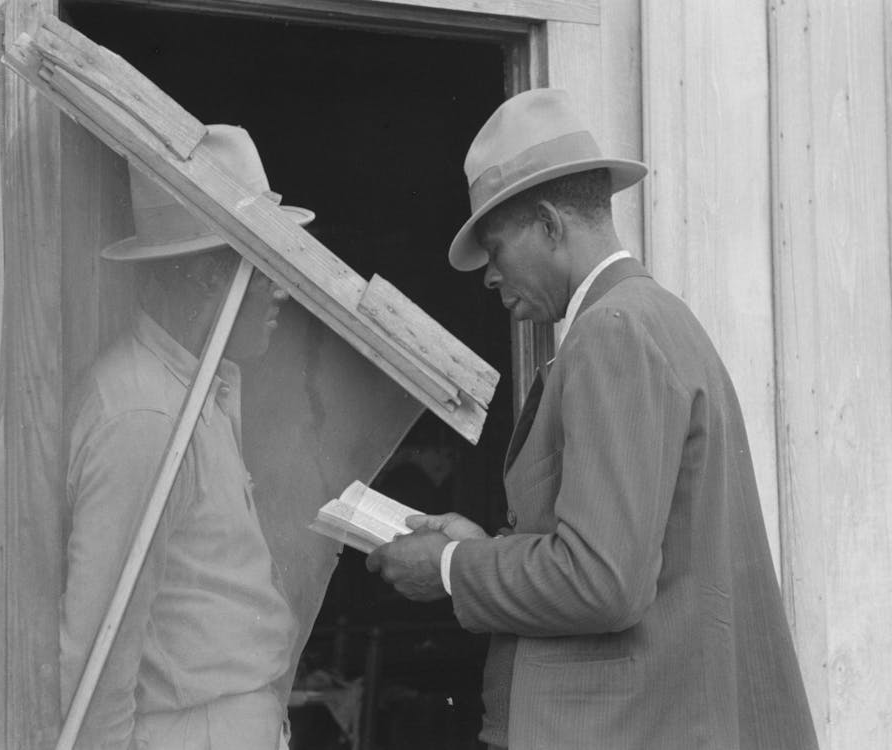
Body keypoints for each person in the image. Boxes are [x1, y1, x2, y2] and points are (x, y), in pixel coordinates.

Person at [365, 89, 818, 749]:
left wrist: (449, 567)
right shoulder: (655, 319)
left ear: (549, 224)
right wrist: (481, 546)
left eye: (495, 249)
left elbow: (602, 582)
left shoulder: (613, 332)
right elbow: (620, 553)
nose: (489, 277)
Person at [61, 124, 314, 749]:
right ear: (204, 275)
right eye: (260, 266)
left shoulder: (200, 387)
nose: (279, 288)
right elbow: (99, 649)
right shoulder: (144, 415)